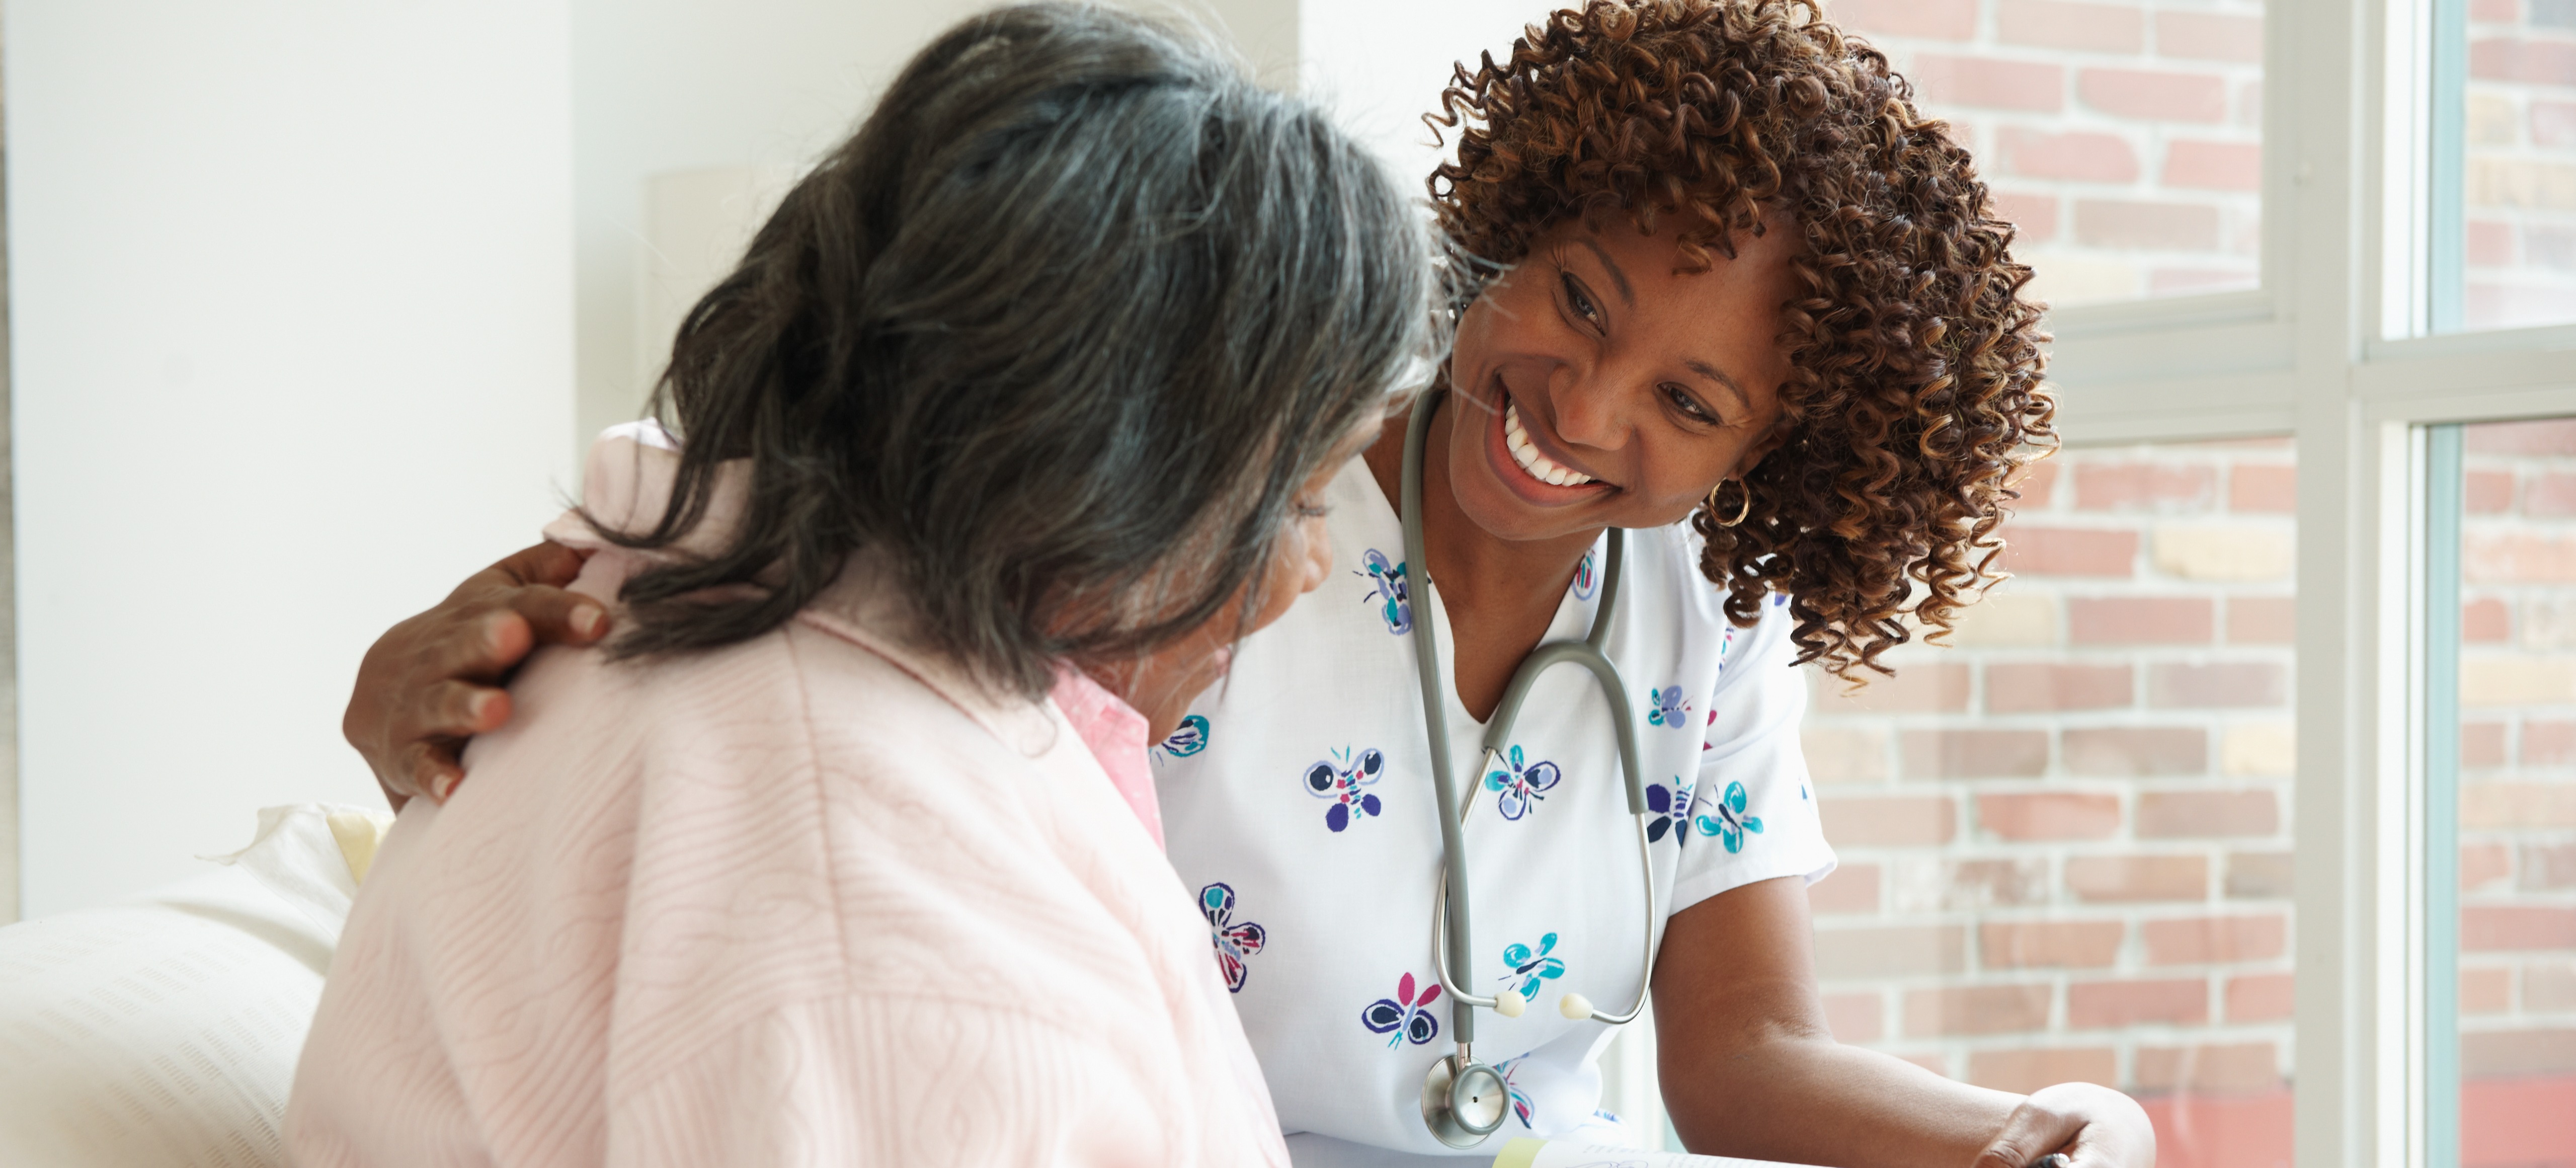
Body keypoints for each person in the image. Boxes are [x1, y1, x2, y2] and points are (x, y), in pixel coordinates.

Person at [340, 2, 2158, 1165]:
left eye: (1689, 402)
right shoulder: (1181, 515)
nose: (1580, 408)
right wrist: (423, 686)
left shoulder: (1696, 620)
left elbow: (1744, 1046)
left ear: (1774, 458)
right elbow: (761, 616)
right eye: (1576, 300)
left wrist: (2017, 1133)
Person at [288, 6, 1430, 1165]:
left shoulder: (699, 622)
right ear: (1102, 471)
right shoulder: (882, 912)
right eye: (1300, 501)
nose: (1311, 571)